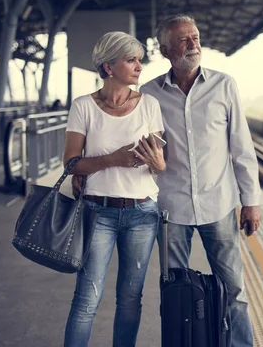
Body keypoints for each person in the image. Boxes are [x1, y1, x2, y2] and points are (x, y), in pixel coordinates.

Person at [140, 14, 262, 347]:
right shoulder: (149, 94)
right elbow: (145, 147)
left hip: (219, 205)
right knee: (173, 290)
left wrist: (251, 201)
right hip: (171, 207)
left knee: (233, 290)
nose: (193, 44)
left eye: (195, 37)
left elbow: (241, 146)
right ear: (166, 50)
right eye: (183, 39)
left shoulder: (224, 85)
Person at [63, 31, 166, 347]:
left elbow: (161, 162)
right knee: (86, 298)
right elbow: (70, 164)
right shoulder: (83, 107)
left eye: (139, 60)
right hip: (97, 213)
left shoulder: (149, 105)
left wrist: (157, 162)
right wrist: (114, 159)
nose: (139, 66)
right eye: (131, 60)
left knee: (130, 298)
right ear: (108, 67)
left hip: (142, 214)